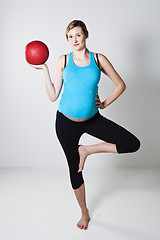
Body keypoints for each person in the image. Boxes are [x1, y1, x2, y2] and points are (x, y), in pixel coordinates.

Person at [27, 20, 141, 230]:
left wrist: (104, 103)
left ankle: (86, 150)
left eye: (78, 35)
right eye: (70, 36)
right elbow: (53, 95)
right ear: (68, 39)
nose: (74, 40)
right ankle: (85, 212)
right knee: (75, 170)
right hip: (65, 123)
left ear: (86, 35)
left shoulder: (98, 59)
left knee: (132, 143)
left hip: (92, 119)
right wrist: (44, 69)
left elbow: (120, 84)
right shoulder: (63, 60)